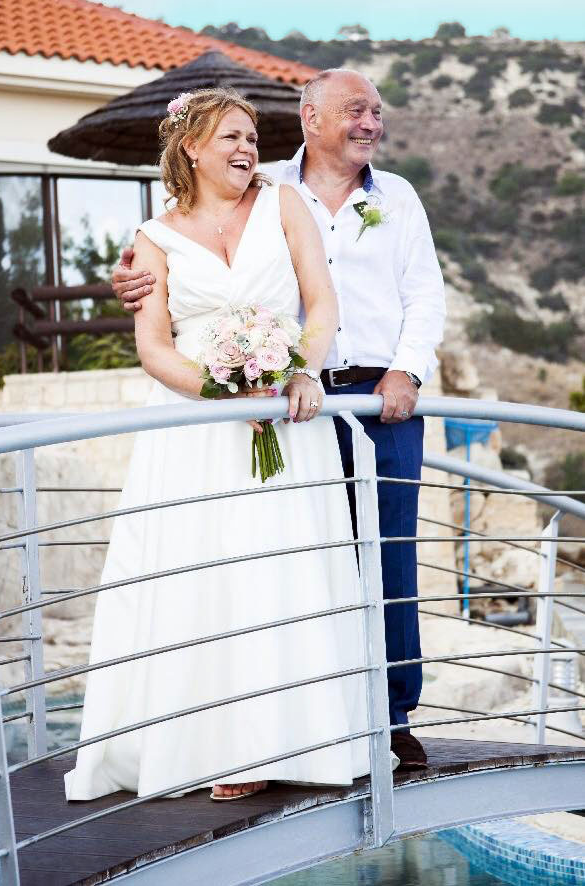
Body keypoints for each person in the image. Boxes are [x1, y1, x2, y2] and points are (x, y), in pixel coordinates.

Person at [112, 70, 446, 770]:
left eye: (376, 112)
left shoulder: (393, 199)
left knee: (386, 557)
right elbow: (180, 285)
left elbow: (424, 294)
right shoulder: (267, 191)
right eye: (356, 110)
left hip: (371, 398)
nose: (370, 123)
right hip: (288, 405)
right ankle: (281, 720)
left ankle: (388, 715)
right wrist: (138, 280)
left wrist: (406, 370)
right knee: (302, 558)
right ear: (312, 117)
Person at [65, 87, 386, 806]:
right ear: (190, 148)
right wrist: (223, 394)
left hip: (283, 417)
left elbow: (321, 301)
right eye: (231, 137)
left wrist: (297, 370)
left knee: (277, 573)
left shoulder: (284, 206)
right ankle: (206, 741)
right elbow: (151, 349)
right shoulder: (153, 240)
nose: (247, 149)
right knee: (201, 575)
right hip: (194, 431)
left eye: (252, 138)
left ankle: (292, 738)